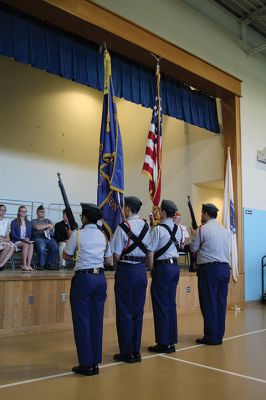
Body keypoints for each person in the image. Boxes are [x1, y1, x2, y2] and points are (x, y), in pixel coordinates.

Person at [63, 203, 112, 376]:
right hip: (100, 278)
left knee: (82, 321)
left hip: (84, 279)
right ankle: (95, 362)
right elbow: (109, 262)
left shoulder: (78, 234)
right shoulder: (103, 234)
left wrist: (72, 237)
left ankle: (86, 363)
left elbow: (66, 255)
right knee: (96, 321)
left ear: (84, 217)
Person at [111, 196, 150, 363]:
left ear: (127, 209)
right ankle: (136, 350)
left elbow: (116, 255)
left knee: (125, 312)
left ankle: (126, 352)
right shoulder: (147, 226)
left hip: (127, 270)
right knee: (137, 312)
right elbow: (150, 251)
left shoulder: (123, 227)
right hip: (141, 270)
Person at [190, 203, 230, 345]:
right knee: (220, 303)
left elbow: (194, 248)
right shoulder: (225, 230)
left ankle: (211, 336)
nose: (201, 216)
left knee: (208, 303)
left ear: (206, 214)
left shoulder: (202, 230)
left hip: (209, 270)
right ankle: (218, 335)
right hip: (225, 269)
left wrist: (193, 235)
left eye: (202, 213)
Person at [147, 199, 182, 353]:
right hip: (175, 266)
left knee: (161, 305)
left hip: (163, 268)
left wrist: (151, 269)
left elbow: (150, 252)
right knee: (170, 304)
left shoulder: (158, 229)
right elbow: (181, 245)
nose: (159, 213)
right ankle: (171, 341)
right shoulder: (179, 228)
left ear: (164, 212)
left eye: (160, 210)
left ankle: (163, 342)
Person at [31, 205, 59, 270]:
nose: (42, 213)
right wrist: (48, 225)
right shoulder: (33, 221)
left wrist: (48, 229)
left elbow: (53, 227)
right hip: (38, 237)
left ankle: (49, 263)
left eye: (43, 212)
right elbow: (37, 227)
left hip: (49, 237)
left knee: (55, 247)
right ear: (37, 213)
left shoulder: (47, 220)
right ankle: (41, 265)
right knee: (41, 247)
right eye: (41, 212)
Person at [10, 206, 34, 271]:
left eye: (25, 211)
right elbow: (13, 235)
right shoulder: (14, 222)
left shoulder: (29, 222)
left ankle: (28, 265)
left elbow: (29, 234)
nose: (24, 213)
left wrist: (28, 238)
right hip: (17, 240)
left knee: (31, 245)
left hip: (25, 241)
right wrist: (23, 240)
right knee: (26, 244)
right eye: (22, 211)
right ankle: (24, 265)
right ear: (19, 212)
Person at [0, 204, 15, 270]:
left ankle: (1, 265)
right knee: (8, 246)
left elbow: (8, 237)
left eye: (4, 210)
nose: (3, 212)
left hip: (3, 240)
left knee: (13, 246)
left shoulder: (6, 221)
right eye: (1, 210)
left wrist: (5, 239)